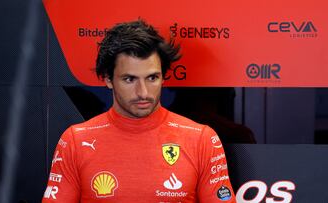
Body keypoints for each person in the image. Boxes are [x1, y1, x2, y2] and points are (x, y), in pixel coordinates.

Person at [42, 19, 236, 202]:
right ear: (108, 79)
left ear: (163, 77)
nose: (143, 92)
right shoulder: (75, 141)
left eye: (152, 78)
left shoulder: (201, 139)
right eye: (129, 79)